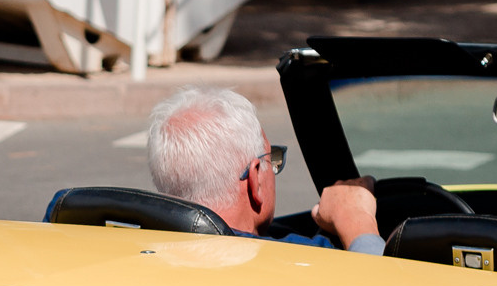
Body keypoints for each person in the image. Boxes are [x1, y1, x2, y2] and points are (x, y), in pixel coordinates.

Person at [144, 86, 386, 253]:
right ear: (254, 179)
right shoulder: (298, 261)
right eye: (271, 159)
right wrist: (357, 222)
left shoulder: (143, 246)